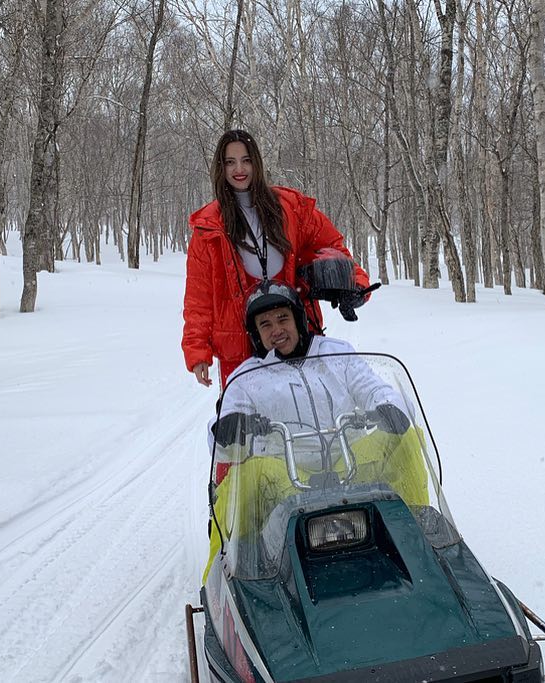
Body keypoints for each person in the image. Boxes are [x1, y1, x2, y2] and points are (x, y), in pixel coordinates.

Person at [202, 280, 426, 583]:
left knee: (406, 441)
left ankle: (418, 535)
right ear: (256, 333)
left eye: (283, 318)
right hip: (286, 477)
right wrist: (228, 429)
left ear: (299, 318)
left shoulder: (337, 355)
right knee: (244, 477)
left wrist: (389, 407)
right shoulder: (247, 377)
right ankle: (235, 569)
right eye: (265, 324)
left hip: (349, 465)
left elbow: (374, 388)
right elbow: (222, 442)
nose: (276, 330)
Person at [182, 129, 371, 389]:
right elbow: (198, 299)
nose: (239, 168)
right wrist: (197, 351)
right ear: (220, 167)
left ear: (256, 162)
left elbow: (332, 246)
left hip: (295, 335)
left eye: (246, 160)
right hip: (240, 346)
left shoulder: (290, 207)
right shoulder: (208, 227)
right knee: (250, 421)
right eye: (230, 162)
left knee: (307, 409)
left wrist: (355, 285)